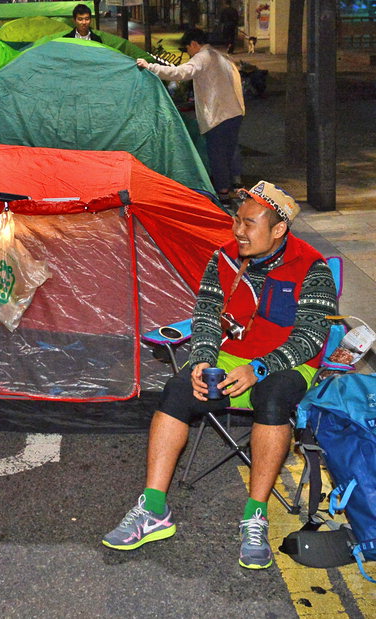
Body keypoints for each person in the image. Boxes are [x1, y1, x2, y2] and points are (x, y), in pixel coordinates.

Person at [102, 182, 337, 570]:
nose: (238, 231)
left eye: (249, 223)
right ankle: (154, 510)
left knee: (274, 398)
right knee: (177, 390)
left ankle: (255, 515)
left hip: (287, 364)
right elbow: (207, 315)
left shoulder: (313, 268)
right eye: (236, 221)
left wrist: (259, 368)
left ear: (278, 230)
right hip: (233, 359)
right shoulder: (223, 259)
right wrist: (202, 359)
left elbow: (312, 337)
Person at [137, 28, 244, 205]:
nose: (188, 53)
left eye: (187, 49)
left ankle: (223, 193)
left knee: (217, 154)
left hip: (218, 115)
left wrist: (150, 67)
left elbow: (180, 73)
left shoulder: (203, 57)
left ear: (194, 44)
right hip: (234, 112)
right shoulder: (220, 56)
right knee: (229, 152)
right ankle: (233, 189)